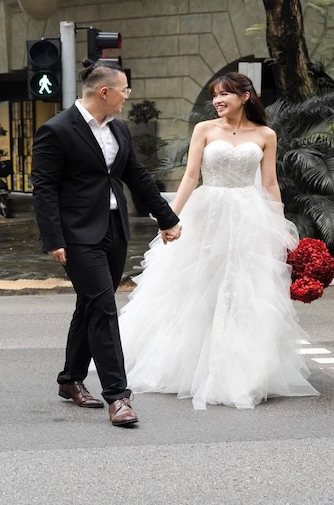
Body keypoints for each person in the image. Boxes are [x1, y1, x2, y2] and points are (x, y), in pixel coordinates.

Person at [119, 72, 318, 409]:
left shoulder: (266, 134)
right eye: (215, 95)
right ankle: (190, 362)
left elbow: (270, 183)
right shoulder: (205, 130)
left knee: (245, 287)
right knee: (198, 285)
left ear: (245, 96)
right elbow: (191, 175)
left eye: (225, 94)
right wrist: (170, 217)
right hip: (207, 212)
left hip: (250, 215)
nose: (218, 100)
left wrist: (278, 222)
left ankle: (244, 367)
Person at [31, 61, 181, 427]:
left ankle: (70, 379)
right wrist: (53, 238)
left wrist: (168, 218)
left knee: (91, 306)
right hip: (78, 235)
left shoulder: (120, 129)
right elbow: (45, 189)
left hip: (114, 229)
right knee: (104, 307)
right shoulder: (57, 130)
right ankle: (118, 396)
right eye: (124, 90)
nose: (127, 97)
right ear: (105, 92)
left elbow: (137, 176)